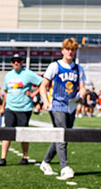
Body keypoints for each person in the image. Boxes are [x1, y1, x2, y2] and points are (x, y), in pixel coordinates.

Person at [39, 37, 87, 180]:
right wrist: (45, 101)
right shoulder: (55, 66)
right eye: (68, 49)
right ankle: (64, 167)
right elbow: (43, 85)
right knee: (62, 134)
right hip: (57, 105)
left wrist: (81, 95)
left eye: (73, 50)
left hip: (71, 106)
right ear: (62, 51)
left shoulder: (79, 68)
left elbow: (83, 88)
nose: (70, 52)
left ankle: (45, 162)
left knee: (63, 135)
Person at [0, 53, 41, 166]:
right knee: (7, 132)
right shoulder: (8, 75)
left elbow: (43, 83)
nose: (16, 63)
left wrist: (33, 94)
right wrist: (3, 107)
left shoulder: (28, 73)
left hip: (24, 108)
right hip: (10, 108)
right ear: (11, 63)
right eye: (13, 61)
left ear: (22, 62)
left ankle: (25, 157)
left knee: (23, 133)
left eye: (18, 61)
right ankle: (3, 158)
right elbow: (6, 92)